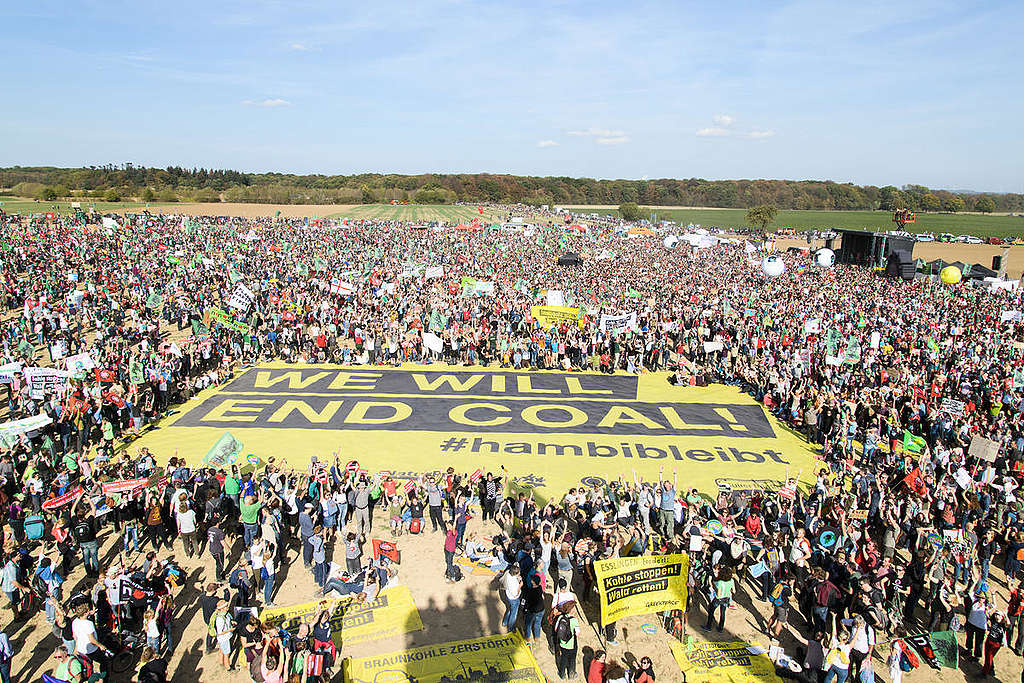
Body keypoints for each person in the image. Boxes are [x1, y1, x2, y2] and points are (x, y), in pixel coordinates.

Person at [701, 565, 735, 633]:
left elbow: (718, 594)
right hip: (726, 598)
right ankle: (720, 628)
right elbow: (734, 591)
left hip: (718, 599)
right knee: (723, 613)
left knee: (711, 612)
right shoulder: (731, 581)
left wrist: (715, 590)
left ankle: (709, 627)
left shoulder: (720, 582)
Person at [553, 602, 579, 680]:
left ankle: (562, 674)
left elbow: (556, 629)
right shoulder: (574, 620)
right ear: (571, 610)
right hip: (571, 644)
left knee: (563, 659)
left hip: (563, 643)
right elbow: (578, 633)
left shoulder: (561, 617)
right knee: (572, 660)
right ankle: (571, 674)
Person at [501, 564, 523, 631]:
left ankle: (505, 622)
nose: (519, 574)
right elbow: (515, 594)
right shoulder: (514, 583)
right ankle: (510, 628)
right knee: (513, 614)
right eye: (518, 573)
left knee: (509, 609)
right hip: (514, 599)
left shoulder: (508, 574)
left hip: (508, 596)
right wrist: (520, 586)